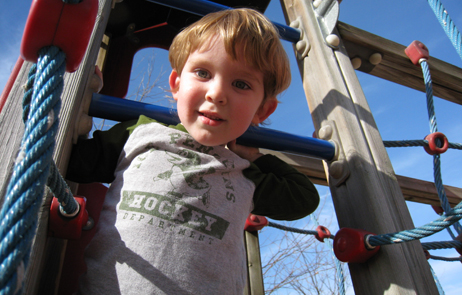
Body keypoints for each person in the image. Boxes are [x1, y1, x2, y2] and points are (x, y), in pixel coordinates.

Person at [67, 8, 319, 295]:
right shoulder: (140, 133)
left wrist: (255, 157)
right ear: (177, 84)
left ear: (262, 109)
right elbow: (73, 160)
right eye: (203, 73)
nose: (216, 93)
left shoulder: (242, 172)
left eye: (240, 84)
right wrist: (85, 93)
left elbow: (304, 199)